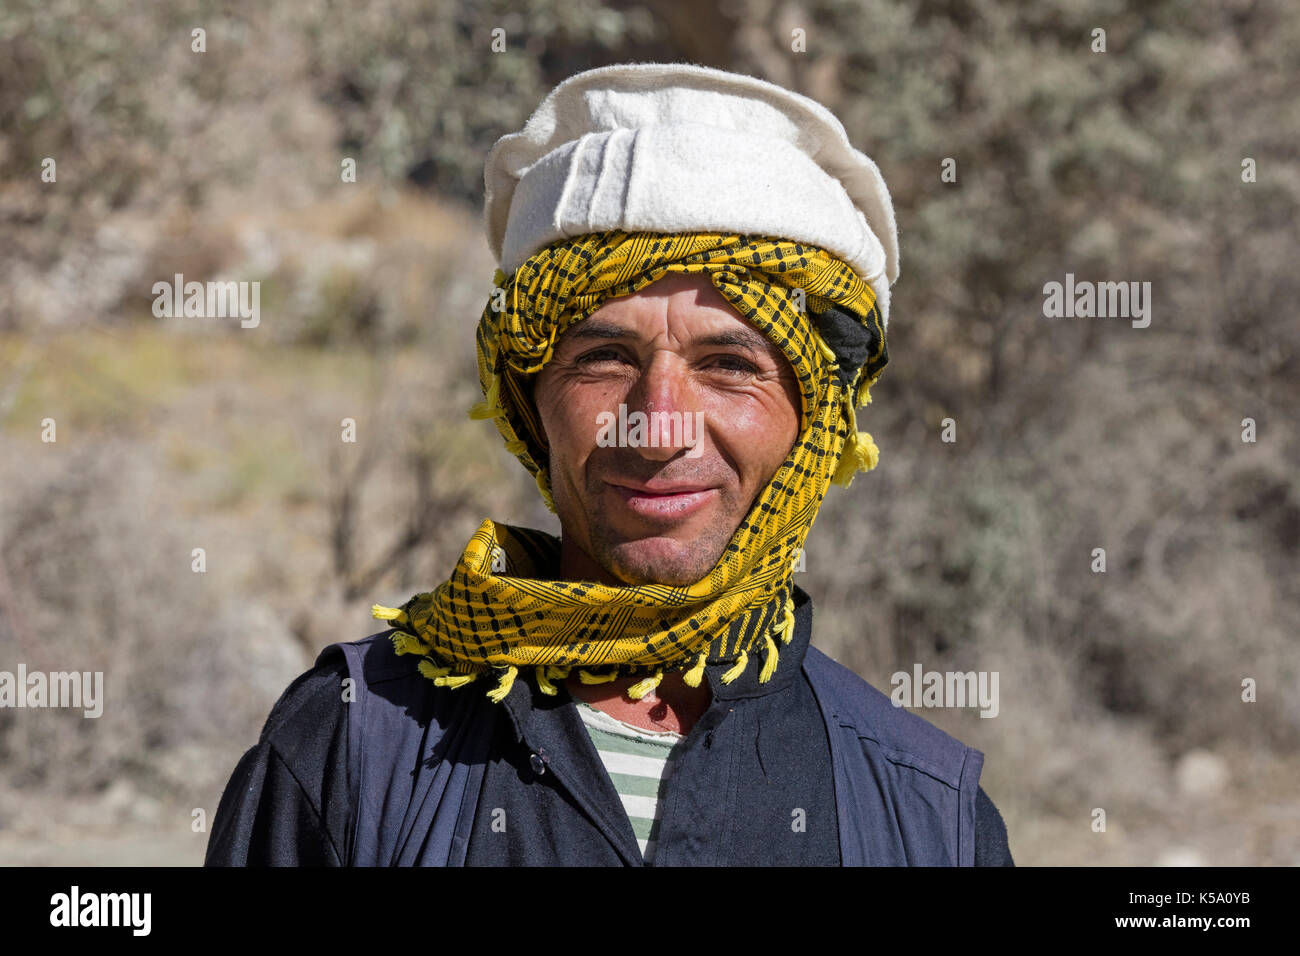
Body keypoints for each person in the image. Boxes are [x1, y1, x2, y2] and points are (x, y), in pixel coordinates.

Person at [205, 61, 1013, 866]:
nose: (659, 428)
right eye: (604, 359)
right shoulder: (352, 747)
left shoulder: (926, 816)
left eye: (729, 365)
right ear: (529, 402)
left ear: (816, 420)